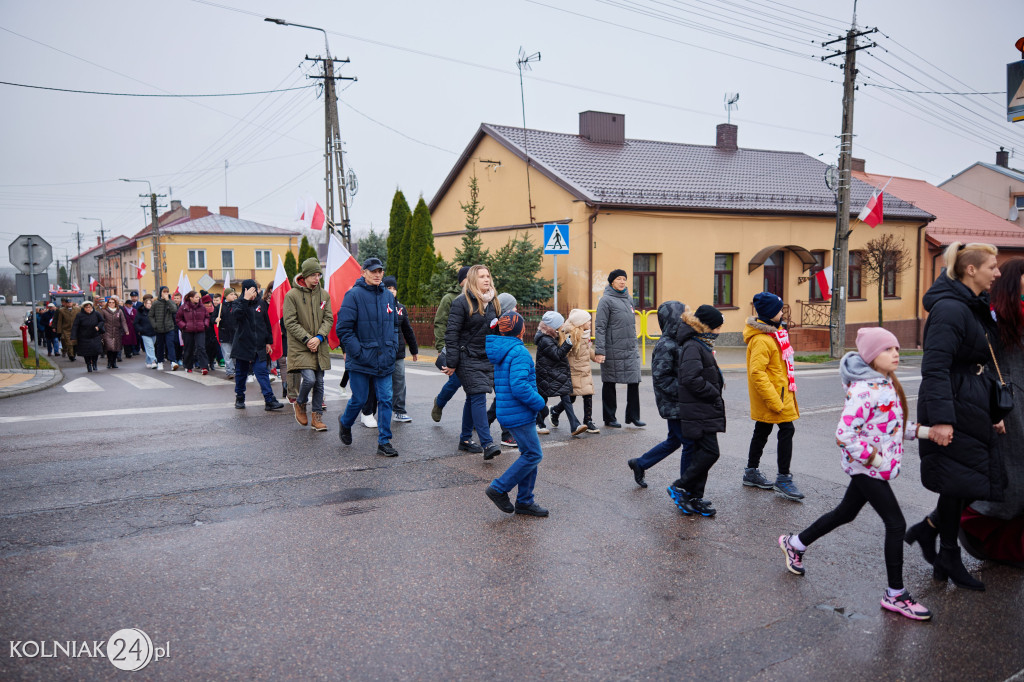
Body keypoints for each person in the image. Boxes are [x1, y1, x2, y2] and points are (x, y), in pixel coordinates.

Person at [778, 328, 933, 621]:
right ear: (872, 356)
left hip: (871, 467)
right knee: (896, 524)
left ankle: (795, 543)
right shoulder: (864, 390)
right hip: (866, 467)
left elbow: (892, 428)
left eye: (896, 348)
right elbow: (844, 434)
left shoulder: (886, 384)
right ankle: (895, 594)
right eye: (887, 349)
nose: (895, 353)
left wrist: (927, 433)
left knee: (845, 513)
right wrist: (876, 460)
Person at [908, 242, 1005, 592]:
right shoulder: (950, 309)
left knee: (964, 479)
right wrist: (941, 419)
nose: (998, 273)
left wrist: (994, 411)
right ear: (971, 269)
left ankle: (930, 534)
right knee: (956, 481)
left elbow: (980, 363)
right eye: (992, 266)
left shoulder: (971, 306)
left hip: (970, 400)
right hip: (952, 402)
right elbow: (935, 367)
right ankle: (948, 555)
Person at [958, 257, 1024, 566]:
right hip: (1007, 404)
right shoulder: (995, 316)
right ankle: (959, 523)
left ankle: (1010, 547)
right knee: (1011, 480)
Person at [484, 312, 550, 517]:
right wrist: (540, 404)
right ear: (521, 330)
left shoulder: (503, 349)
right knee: (534, 454)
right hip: (519, 412)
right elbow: (519, 386)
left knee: (529, 454)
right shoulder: (519, 352)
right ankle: (499, 488)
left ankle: (525, 501)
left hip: (509, 410)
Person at [742, 292, 804, 500]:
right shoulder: (762, 340)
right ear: (770, 313)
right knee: (787, 429)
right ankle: (783, 478)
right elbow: (757, 373)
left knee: (762, 429)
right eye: (779, 310)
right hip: (774, 397)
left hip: (779, 394)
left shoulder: (775, 335)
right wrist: (774, 400)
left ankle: (751, 471)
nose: (782, 313)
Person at [335, 257, 400, 457]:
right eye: (373, 271)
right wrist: (359, 352)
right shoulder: (353, 295)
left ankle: (384, 441)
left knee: (386, 399)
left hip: (384, 357)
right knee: (360, 398)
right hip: (361, 359)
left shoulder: (388, 296)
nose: (377, 274)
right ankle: (345, 422)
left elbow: (395, 325)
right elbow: (343, 329)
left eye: (380, 271)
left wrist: (393, 347)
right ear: (363, 273)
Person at [665, 305, 726, 517]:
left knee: (702, 453)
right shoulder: (693, 345)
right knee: (711, 452)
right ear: (707, 327)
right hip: (699, 408)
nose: (719, 331)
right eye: (717, 327)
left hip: (703, 408)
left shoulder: (701, 344)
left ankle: (695, 496)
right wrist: (713, 392)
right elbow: (690, 378)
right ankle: (680, 487)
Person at [627, 301, 690, 489]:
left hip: (680, 401)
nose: (689, 317)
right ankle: (686, 488)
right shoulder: (666, 345)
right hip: (674, 403)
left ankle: (640, 463)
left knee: (674, 441)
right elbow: (662, 379)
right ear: (675, 318)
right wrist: (687, 390)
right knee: (688, 443)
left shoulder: (679, 340)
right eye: (684, 314)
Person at [443, 264, 502, 460]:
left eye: (488, 275)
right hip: (466, 357)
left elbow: (497, 332)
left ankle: (465, 439)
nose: (486, 279)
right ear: (473, 279)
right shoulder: (461, 302)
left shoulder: (494, 302)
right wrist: (452, 362)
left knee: (472, 397)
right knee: (478, 396)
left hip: (486, 357)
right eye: (481, 276)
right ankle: (487, 443)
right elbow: (452, 334)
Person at [283, 257, 333, 433]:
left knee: (319, 382)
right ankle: (300, 403)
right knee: (310, 379)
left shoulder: (324, 295)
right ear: (305, 276)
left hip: (319, 344)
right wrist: (307, 339)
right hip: (300, 346)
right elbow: (290, 322)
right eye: (313, 275)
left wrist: (319, 337)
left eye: (319, 275)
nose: (317, 278)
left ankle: (317, 417)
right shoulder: (292, 295)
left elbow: (328, 318)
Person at [595, 269, 644, 428]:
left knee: (634, 381)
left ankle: (633, 416)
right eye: (619, 279)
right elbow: (600, 327)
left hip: (629, 348)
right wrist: (600, 351)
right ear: (612, 282)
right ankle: (609, 418)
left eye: (624, 279)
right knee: (610, 382)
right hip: (612, 349)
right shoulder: (606, 301)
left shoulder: (628, 299)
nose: (622, 282)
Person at [231, 279, 284, 411]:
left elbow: (266, 323)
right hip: (243, 346)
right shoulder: (238, 303)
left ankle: (269, 400)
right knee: (241, 374)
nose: (254, 294)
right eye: (252, 291)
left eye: (256, 291)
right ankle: (240, 397)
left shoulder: (261, 303)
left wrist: (268, 342)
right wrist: (245, 300)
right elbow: (237, 316)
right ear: (245, 291)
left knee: (262, 373)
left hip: (259, 345)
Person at [534, 311, 587, 437]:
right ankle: (538, 423)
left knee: (566, 398)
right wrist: (568, 343)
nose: (563, 325)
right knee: (542, 400)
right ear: (553, 326)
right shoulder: (545, 340)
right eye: (560, 323)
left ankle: (574, 425)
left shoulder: (552, 336)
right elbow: (557, 354)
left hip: (557, 373)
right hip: (547, 375)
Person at [431, 265, 470, 422]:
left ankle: (475, 418)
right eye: (469, 277)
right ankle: (439, 402)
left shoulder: (479, 297)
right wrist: (441, 347)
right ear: (462, 281)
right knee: (455, 381)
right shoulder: (449, 298)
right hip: (454, 347)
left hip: (472, 349)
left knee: (475, 388)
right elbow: (440, 323)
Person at [552, 308, 599, 434]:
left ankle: (588, 421)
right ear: (580, 323)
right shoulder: (572, 336)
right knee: (571, 398)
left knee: (588, 395)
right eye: (588, 321)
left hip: (585, 370)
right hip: (574, 371)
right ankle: (555, 411)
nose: (590, 323)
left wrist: (595, 357)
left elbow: (587, 349)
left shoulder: (585, 334)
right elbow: (564, 353)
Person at [383, 275, 419, 423]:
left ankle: (399, 411)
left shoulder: (401, 308)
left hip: (398, 352)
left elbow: (408, 330)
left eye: (394, 288)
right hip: (381, 352)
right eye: (388, 288)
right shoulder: (379, 306)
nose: (392, 291)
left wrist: (414, 350)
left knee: (399, 382)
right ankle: (371, 411)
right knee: (381, 383)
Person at [486, 292, 519, 448]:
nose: (516, 309)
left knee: (502, 397)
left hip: (503, 366)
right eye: (514, 307)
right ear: (506, 309)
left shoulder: (508, 324)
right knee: (504, 398)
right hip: (497, 367)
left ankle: (484, 421)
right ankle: (506, 435)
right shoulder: (498, 327)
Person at [175, 290, 210, 375]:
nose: (198, 298)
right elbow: (178, 319)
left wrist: (205, 325)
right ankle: (188, 366)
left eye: (198, 297)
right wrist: (184, 326)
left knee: (201, 347)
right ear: (191, 298)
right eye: (196, 297)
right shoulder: (183, 307)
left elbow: (207, 317)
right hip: (188, 331)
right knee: (188, 348)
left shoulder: (202, 307)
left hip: (200, 330)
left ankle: (204, 367)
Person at [151, 286, 179, 371]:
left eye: (167, 292)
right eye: (164, 292)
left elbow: (174, 310)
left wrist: (168, 300)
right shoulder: (156, 303)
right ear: (161, 293)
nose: (165, 293)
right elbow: (151, 315)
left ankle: (173, 362)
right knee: (160, 346)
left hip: (169, 328)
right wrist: (154, 325)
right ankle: (160, 362)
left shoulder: (171, 302)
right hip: (159, 328)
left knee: (170, 344)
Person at [71, 300, 104, 372]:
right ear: (84, 308)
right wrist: (73, 336)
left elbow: (102, 321)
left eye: (89, 307)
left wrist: (98, 326)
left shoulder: (96, 313)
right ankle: (88, 364)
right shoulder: (79, 315)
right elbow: (75, 326)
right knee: (86, 352)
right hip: (84, 337)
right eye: (86, 307)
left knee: (95, 351)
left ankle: (94, 363)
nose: (88, 309)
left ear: (92, 307)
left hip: (95, 336)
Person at [100, 296, 128, 369]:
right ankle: (109, 362)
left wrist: (126, 330)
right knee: (109, 347)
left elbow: (123, 321)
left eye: (113, 302)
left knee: (116, 348)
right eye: (110, 302)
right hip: (107, 331)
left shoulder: (119, 311)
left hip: (117, 332)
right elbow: (101, 321)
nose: (111, 304)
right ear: (107, 303)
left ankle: (114, 362)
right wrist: (101, 330)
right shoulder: (104, 311)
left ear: (115, 303)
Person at [216, 288, 238, 380]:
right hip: (224, 333)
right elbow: (213, 318)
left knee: (236, 354)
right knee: (227, 354)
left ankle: (237, 370)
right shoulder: (220, 306)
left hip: (235, 333)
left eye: (234, 294)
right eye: (231, 294)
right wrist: (216, 319)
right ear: (226, 296)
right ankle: (230, 371)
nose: (233, 296)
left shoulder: (237, 305)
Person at [135, 294, 158, 368]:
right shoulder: (140, 312)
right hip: (145, 333)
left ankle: (148, 361)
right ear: (144, 304)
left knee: (150, 347)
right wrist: (141, 329)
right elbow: (136, 323)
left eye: (150, 304)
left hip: (153, 332)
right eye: (147, 303)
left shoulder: (154, 312)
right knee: (150, 347)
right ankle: (153, 361)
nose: (149, 305)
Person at [55, 297, 80, 362]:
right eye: (67, 303)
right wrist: (59, 331)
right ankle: (71, 355)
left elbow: (80, 318)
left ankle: (74, 354)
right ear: (65, 304)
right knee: (69, 343)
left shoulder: (77, 309)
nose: (69, 304)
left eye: (70, 302)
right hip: (66, 329)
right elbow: (60, 321)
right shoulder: (62, 310)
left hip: (76, 329)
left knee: (75, 343)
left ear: (72, 303)